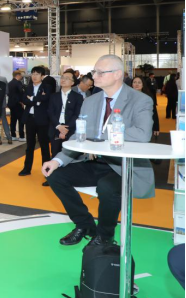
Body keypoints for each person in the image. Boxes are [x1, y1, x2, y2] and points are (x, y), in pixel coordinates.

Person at [43, 54, 154, 247]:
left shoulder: (140, 100)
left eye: (100, 72)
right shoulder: (90, 101)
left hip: (122, 166)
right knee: (54, 175)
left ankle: (104, 236)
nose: (94, 76)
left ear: (117, 74)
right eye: (94, 72)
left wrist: (102, 135)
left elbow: (143, 134)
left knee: (107, 187)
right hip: (94, 162)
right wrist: (57, 160)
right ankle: (84, 225)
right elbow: (79, 135)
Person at [44, 71, 84, 187]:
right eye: (62, 77)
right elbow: (50, 112)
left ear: (72, 82)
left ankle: (69, 179)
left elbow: (77, 114)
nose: (63, 80)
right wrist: (58, 126)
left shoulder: (78, 97)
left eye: (67, 78)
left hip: (71, 130)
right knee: (55, 153)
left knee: (70, 155)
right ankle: (51, 178)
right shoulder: (54, 96)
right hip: (55, 128)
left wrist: (66, 128)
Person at [20, 66, 52, 177]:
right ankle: (27, 168)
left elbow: (46, 99)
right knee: (30, 145)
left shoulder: (47, 87)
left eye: (37, 74)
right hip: (30, 119)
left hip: (42, 120)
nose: (34, 76)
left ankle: (46, 170)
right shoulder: (28, 87)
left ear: (42, 76)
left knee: (44, 146)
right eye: (33, 74)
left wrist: (32, 99)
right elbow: (24, 100)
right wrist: (37, 100)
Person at [8, 71, 26, 142]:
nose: (22, 76)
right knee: (21, 120)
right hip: (18, 104)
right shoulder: (18, 83)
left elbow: (8, 94)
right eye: (21, 75)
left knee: (13, 120)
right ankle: (21, 136)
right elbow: (21, 92)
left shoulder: (10, 83)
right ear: (18, 75)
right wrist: (21, 101)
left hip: (11, 104)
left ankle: (13, 135)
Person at [0, 74, 13, 145]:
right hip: (2, 103)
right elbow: (7, 92)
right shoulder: (3, 78)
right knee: (4, 120)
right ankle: (9, 137)